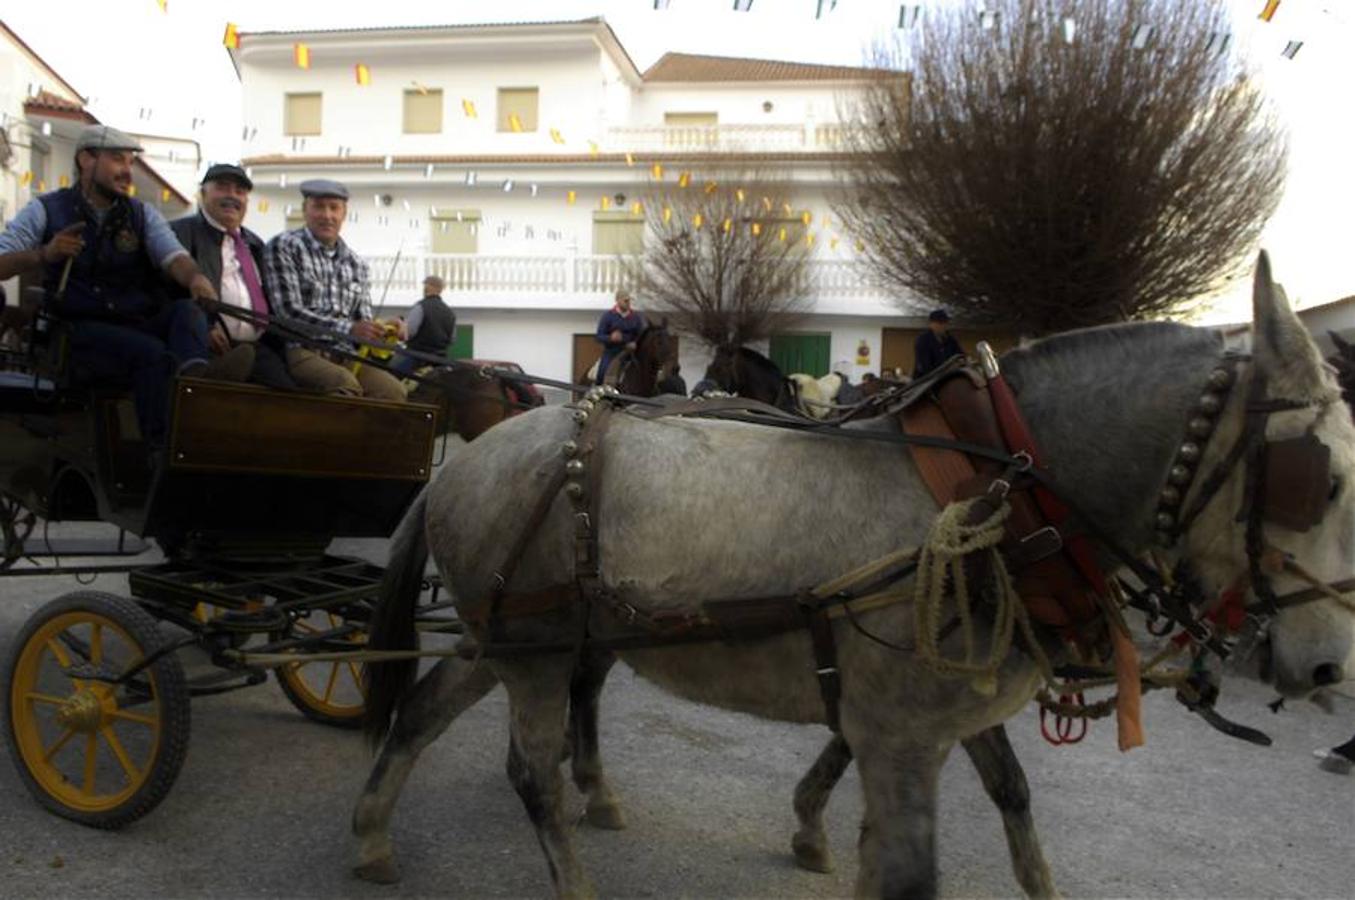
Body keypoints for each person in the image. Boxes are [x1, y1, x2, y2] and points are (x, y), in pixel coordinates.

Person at [0, 124, 247, 447]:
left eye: (131, 162)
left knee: (188, 312)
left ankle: (196, 380)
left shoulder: (143, 214)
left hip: (133, 323)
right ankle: (160, 452)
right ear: (86, 159)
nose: (128, 171)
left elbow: (174, 257)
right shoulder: (45, 209)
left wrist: (196, 278)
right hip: (77, 331)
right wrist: (44, 254)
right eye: (118, 159)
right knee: (152, 354)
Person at [262, 179, 405, 401]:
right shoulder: (284, 246)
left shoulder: (357, 264)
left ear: (343, 214)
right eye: (319, 207)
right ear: (305, 210)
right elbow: (288, 313)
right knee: (343, 383)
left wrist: (383, 329)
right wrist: (350, 329)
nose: (327, 215)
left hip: (347, 354)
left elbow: (362, 321)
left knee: (393, 391)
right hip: (301, 349)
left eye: (334, 208)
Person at [169, 163, 296, 390]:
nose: (232, 196)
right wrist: (204, 327)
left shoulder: (255, 244)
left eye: (240, 191)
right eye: (223, 187)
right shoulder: (178, 233)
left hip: (256, 345)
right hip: (206, 344)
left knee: (287, 396)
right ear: (203, 193)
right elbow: (164, 292)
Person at [392, 274, 455, 376]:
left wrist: (400, 324)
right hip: (441, 360)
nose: (424, 288)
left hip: (416, 358)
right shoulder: (450, 312)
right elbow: (452, 339)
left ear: (429, 286)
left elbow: (408, 333)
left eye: (425, 285)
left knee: (389, 373)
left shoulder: (420, 307)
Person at [594, 288, 645, 385]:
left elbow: (641, 335)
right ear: (618, 300)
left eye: (629, 301)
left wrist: (635, 343)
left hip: (631, 352)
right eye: (625, 301)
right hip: (612, 351)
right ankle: (599, 389)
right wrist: (610, 338)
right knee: (602, 371)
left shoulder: (636, 317)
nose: (628, 303)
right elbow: (599, 336)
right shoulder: (607, 316)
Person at [913, 308, 964, 379]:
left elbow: (960, 355)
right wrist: (947, 369)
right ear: (931, 324)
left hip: (949, 377)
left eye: (945, 323)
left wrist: (961, 362)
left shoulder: (951, 340)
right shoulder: (923, 340)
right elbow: (925, 366)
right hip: (926, 380)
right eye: (940, 323)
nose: (943, 326)